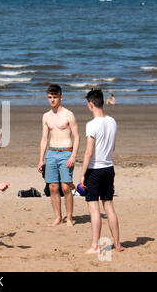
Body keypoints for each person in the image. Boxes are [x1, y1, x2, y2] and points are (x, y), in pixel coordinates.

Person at [79, 89, 124, 254]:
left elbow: (88, 153)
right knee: (109, 206)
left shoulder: (91, 125)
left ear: (90, 104)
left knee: (94, 208)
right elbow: (113, 147)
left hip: (95, 170)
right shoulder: (112, 121)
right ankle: (117, 244)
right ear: (103, 102)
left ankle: (95, 246)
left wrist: (83, 174)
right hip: (108, 167)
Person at [37, 84, 79, 226]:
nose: (52, 100)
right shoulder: (46, 116)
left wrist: (73, 156)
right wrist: (41, 160)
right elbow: (43, 139)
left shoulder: (68, 114)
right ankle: (58, 217)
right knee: (52, 187)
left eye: (55, 97)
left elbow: (77, 137)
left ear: (61, 97)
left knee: (66, 187)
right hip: (51, 153)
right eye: (50, 97)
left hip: (66, 152)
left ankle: (69, 218)